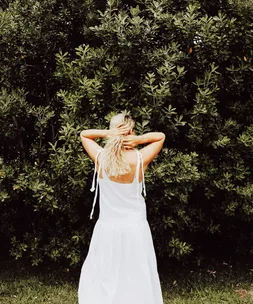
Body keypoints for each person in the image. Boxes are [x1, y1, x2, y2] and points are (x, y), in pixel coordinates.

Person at [78, 111, 165, 304]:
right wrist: (139, 139)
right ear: (131, 131)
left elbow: (84, 134)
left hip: (108, 227)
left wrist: (109, 134)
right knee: (136, 275)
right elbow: (160, 136)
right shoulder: (140, 158)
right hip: (135, 228)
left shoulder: (101, 158)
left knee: (106, 274)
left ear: (113, 131)